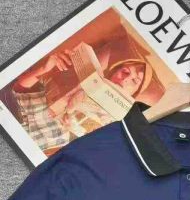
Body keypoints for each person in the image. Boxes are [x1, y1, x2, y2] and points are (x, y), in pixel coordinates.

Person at [12, 48, 153, 151]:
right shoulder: (74, 79)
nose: (126, 79)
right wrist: (44, 68)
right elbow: (20, 89)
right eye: (125, 71)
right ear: (114, 71)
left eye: (135, 80)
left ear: (135, 93)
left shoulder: (118, 126)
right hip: (18, 120)